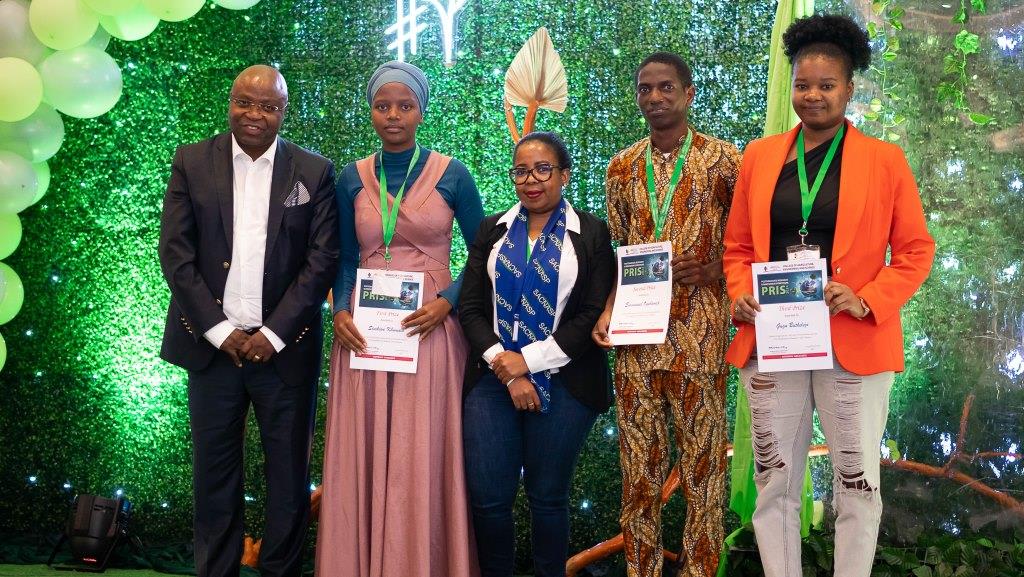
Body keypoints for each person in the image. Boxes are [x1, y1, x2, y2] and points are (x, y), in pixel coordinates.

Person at [722, 14, 935, 577]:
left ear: (849, 88)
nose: (812, 95)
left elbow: (915, 251)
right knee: (774, 481)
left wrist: (867, 298)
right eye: (802, 84)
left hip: (854, 342)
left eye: (826, 85)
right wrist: (741, 293)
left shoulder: (884, 160)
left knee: (857, 484)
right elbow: (737, 247)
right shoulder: (759, 156)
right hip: (774, 340)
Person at [158, 65, 339, 577]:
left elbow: (322, 260)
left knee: (288, 477)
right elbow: (176, 254)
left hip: (285, 352)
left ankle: (280, 571)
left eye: (268, 106)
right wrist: (221, 332)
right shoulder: (192, 160)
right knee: (213, 476)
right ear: (230, 102)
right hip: (212, 350)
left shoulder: (314, 171)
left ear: (284, 112)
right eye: (245, 102)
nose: (254, 114)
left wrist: (273, 335)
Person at [315, 61, 484, 577]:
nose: (393, 115)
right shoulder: (351, 177)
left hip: (429, 329)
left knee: (421, 448)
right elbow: (345, 257)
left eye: (404, 106)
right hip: (365, 333)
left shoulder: (453, 173)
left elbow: (484, 253)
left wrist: (448, 302)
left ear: (421, 111)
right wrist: (339, 310)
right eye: (382, 106)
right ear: (371, 111)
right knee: (363, 448)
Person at [591, 52, 740, 577]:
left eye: (666, 87)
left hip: (700, 336)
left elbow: (746, 243)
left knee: (703, 472)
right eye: (645, 88)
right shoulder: (621, 167)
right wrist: (608, 311)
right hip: (636, 339)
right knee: (638, 473)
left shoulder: (724, 161)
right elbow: (621, 251)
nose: (654, 97)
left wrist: (715, 269)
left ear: (688, 93)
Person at [458, 131, 615, 577]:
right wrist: (508, 369)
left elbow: (591, 313)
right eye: (521, 171)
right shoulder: (493, 229)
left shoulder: (592, 233)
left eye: (543, 169)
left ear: (564, 175)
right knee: (489, 500)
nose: (531, 180)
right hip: (494, 379)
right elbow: (470, 307)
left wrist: (528, 361)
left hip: (567, 381)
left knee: (547, 498)